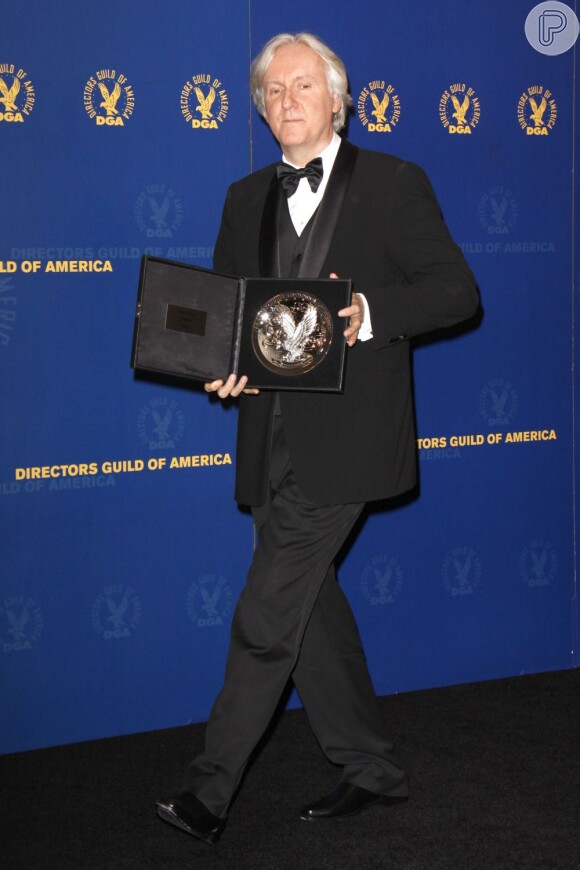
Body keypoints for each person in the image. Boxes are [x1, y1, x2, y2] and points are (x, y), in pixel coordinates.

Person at [156, 31, 478, 845]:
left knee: (267, 615)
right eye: (273, 91)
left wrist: (368, 314)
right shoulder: (241, 197)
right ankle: (372, 767)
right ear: (262, 110)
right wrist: (223, 368)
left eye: (304, 86)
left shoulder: (397, 183)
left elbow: (455, 292)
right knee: (309, 610)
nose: (287, 101)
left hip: (351, 442)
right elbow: (234, 316)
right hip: (269, 438)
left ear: (339, 99)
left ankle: (209, 792)